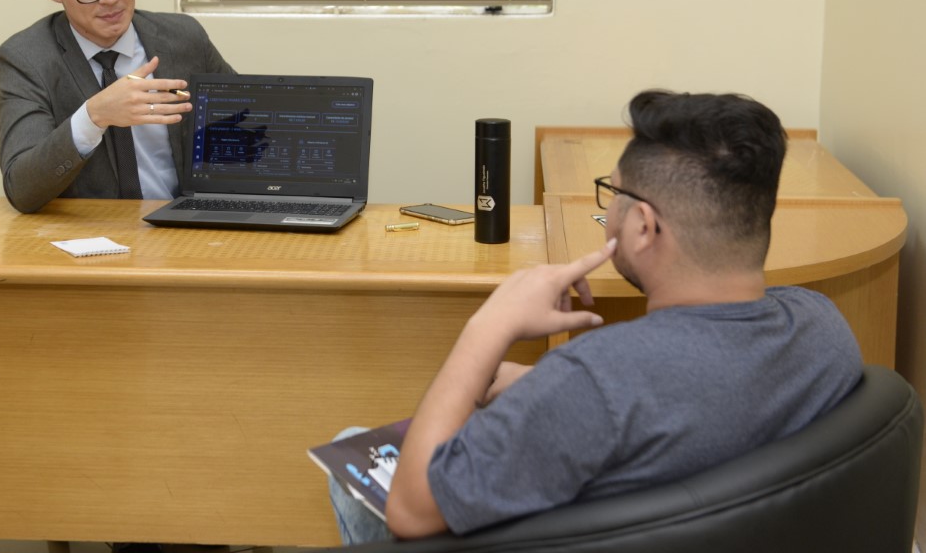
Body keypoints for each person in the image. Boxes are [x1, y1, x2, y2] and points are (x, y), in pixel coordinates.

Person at [328, 89, 863, 543]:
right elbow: (690, 395)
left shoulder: (590, 381)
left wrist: (490, 326)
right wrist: (539, 385)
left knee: (354, 445)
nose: (610, 211)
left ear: (644, 227)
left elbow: (412, 511)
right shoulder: (823, 327)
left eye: (614, 193)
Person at [0, 0, 235, 213]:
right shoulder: (26, 59)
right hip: (90, 233)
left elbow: (244, 122)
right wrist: (93, 116)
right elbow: (21, 188)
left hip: (181, 227)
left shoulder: (184, 38)